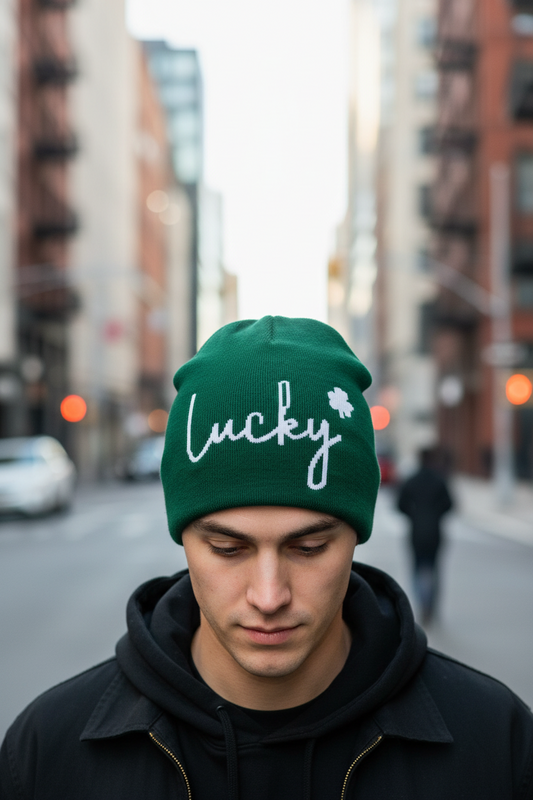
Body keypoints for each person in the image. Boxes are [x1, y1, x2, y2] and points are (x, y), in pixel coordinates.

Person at [1, 317, 532, 800]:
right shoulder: (47, 753)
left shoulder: (497, 744)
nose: (269, 595)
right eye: (227, 549)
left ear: (356, 534)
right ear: (184, 537)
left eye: (309, 548)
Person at [397, 448, 453, 624]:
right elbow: (450, 504)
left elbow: (400, 504)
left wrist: (413, 514)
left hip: (416, 531)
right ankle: (431, 606)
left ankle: (422, 603)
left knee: (417, 568)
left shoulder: (411, 480)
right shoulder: (440, 480)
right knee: (433, 568)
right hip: (435, 531)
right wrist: (436, 514)